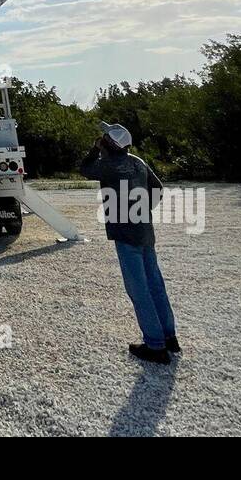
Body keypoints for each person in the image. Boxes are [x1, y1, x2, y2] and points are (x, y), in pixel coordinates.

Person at [80, 121, 180, 365]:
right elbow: (157, 187)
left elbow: (85, 169)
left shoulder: (108, 165)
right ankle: (169, 337)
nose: (101, 139)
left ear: (109, 143)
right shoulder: (138, 162)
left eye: (103, 137)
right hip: (144, 230)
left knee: (139, 288)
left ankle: (155, 345)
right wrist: (143, 210)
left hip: (125, 234)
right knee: (155, 283)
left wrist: (94, 150)